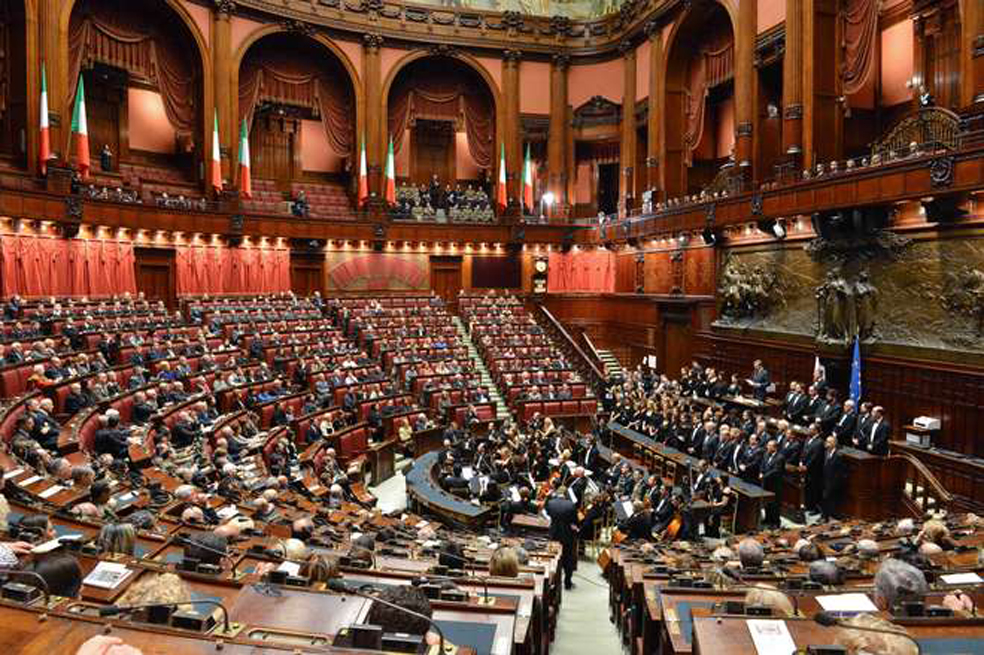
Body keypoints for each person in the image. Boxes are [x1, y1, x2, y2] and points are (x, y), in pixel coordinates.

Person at [544, 486, 578, 590]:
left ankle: (553, 582)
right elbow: (574, 521)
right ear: (566, 494)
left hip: (554, 534)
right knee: (568, 558)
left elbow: (548, 513)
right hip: (567, 535)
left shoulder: (551, 503)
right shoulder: (571, 505)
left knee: (553, 558)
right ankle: (567, 582)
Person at [798, 425, 825, 515]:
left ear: (816, 431)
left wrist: (807, 466)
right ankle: (808, 505)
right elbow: (803, 451)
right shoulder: (808, 439)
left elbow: (815, 457)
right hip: (805, 468)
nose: (809, 430)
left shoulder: (819, 442)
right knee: (807, 488)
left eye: (811, 429)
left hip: (814, 470)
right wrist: (801, 462)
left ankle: (814, 508)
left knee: (814, 489)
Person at [759, 438, 785, 528]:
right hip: (766, 484)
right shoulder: (766, 454)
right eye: (767, 445)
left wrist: (764, 476)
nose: (767, 447)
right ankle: (768, 519)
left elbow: (776, 471)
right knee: (767, 503)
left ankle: (775, 523)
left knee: (775, 505)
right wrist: (761, 472)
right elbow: (762, 465)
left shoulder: (780, 458)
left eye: (769, 446)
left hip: (775, 485)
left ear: (775, 448)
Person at [821, 435, 846, 520]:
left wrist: (834, 483)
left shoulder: (839, 455)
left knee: (828, 498)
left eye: (828, 442)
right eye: (826, 441)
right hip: (825, 479)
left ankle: (825, 517)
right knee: (825, 498)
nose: (826, 443)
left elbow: (840, 472)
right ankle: (826, 515)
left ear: (834, 444)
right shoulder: (825, 452)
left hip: (833, 482)